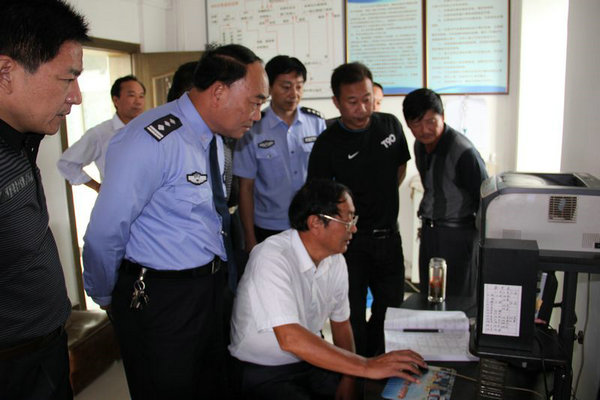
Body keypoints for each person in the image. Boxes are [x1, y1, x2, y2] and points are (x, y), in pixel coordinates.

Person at [82, 44, 269, 399]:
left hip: (209, 289)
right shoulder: (150, 140)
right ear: (219, 92)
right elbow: (104, 233)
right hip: (161, 299)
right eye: (254, 102)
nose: (257, 115)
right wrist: (105, 294)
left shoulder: (213, 136)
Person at [229, 179, 426, 400]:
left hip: (309, 363)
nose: (354, 228)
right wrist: (365, 366)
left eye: (354, 219)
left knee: (379, 391)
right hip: (262, 370)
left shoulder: (335, 260)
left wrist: (349, 378)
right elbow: (290, 338)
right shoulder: (272, 257)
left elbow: (341, 324)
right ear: (315, 222)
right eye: (347, 220)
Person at [0, 1, 89, 399]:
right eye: (67, 78)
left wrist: (52, 340)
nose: (77, 97)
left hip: (41, 349)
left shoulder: (21, 139)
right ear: (6, 72)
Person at [307, 62, 411, 357]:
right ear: (336, 102)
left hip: (389, 238)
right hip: (351, 245)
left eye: (367, 99)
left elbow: (399, 167)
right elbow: (320, 197)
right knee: (350, 314)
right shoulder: (327, 145)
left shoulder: (390, 125)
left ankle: (381, 363)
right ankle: (358, 369)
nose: (362, 108)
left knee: (391, 310)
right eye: (352, 102)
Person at [234, 55, 325, 252]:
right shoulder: (253, 128)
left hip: (310, 223)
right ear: (269, 88)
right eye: (286, 87)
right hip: (268, 226)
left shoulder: (316, 123)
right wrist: (249, 238)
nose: (294, 94)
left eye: (299, 87)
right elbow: (246, 188)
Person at [403, 88, 488, 297]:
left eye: (431, 121)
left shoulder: (463, 151)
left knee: (457, 298)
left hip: (458, 235)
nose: (425, 130)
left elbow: (485, 199)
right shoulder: (420, 146)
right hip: (431, 233)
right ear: (408, 124)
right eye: (417, 124)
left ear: (443, 116)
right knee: (430, 294)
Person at [57, 75, 145, 192]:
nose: (138, 102)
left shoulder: (149, 129)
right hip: (118, 198)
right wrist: (97, 187)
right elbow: (67, 163)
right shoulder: (101, 133)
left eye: (141, 96)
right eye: (132, 95)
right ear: (116, 100)